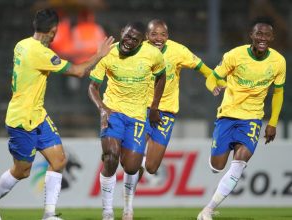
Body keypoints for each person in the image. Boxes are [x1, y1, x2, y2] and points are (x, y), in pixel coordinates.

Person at [0, 9, 114, 220]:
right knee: (22, 171)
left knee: (59, 160)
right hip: (22, 119)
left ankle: (49, 214)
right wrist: (99, 55)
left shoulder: (21, 45)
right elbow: (79, 72)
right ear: (53, 31)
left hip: (37, 115)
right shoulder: (41, 53)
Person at [121, 19, 226, 216]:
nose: (158, 38)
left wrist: (216, 83)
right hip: (140, 110)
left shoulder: (179, 51)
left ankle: (138, 166)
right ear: (146, 36)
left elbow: (202, 68)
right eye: (154, 34)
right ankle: (128, 208)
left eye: (162, 34)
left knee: (151, 167)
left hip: (165, 114)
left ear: (167, 36)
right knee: (131, 161)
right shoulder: (138, 49)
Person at [197, 18, 285, 220]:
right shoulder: (234, 55)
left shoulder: (279, 61)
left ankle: (207, 210)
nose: (262, 38)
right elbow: (212, 77)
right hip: (228, 115)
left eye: (266, 35)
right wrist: (215, 86)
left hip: (252, 118)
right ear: (251, 36)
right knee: (217, 166)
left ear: (272, 38)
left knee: (240, 162)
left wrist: (272, 122)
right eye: (259, 34)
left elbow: (278, 93)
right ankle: (214, 159)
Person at [88, 22, 166, 220]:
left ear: (141, 42)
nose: (129, 41)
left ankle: (128, 206)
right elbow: (93, 87)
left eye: (135, 39)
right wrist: (103, 109)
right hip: (113, 112)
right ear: (121, 32)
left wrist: (154, 107)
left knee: (131, 167)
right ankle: (107, 212)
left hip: (138, 116)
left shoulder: (153, 55)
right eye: (127, 36)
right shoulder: (109, 54)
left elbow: (161, 77)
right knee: (112, 157)